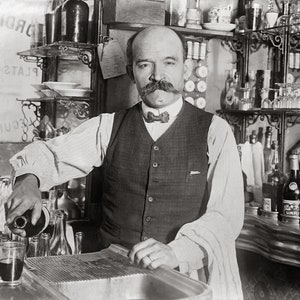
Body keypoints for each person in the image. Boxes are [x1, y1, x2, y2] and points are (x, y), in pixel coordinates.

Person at [6, 26, 244, 299]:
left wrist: (176, 251)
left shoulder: (215, 131)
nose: (157, 76)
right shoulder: (108, 127)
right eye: (145, 65)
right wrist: (29, 179)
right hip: (113, 281)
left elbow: (225, 217)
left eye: (169, 62)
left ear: (186, 69)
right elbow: (50, 154)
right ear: (131, 72)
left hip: (182, 282)